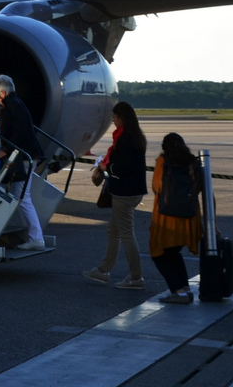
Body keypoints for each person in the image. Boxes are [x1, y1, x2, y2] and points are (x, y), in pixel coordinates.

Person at [85, 100, 147, 289]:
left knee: (126, 234)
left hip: (125, 192)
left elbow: (124, 167)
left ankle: (136, 277)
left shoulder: (125, 138)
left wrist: (107, 167)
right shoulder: (134, 136)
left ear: (121, 118)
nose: (113, 120)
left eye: (114, 117)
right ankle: (103, 270)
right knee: (113, 231)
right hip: (132, 191)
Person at [0, 75, 46, 250]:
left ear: (3, 92)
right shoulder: (16, 103)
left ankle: (36, 238)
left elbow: (19, 131)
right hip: (23, 157)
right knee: (21, 197)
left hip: (19, 158)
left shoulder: (12, 105)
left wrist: (7, 150)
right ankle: (36, 237)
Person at [149, 132, 203, 304]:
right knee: (174, 253)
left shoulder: (163, 161)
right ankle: (185, 289)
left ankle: (178, 291)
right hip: (188, 217)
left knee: (159, 253)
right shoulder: (193, 162)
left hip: (166, 217)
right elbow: (200, 188)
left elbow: (156, 186)